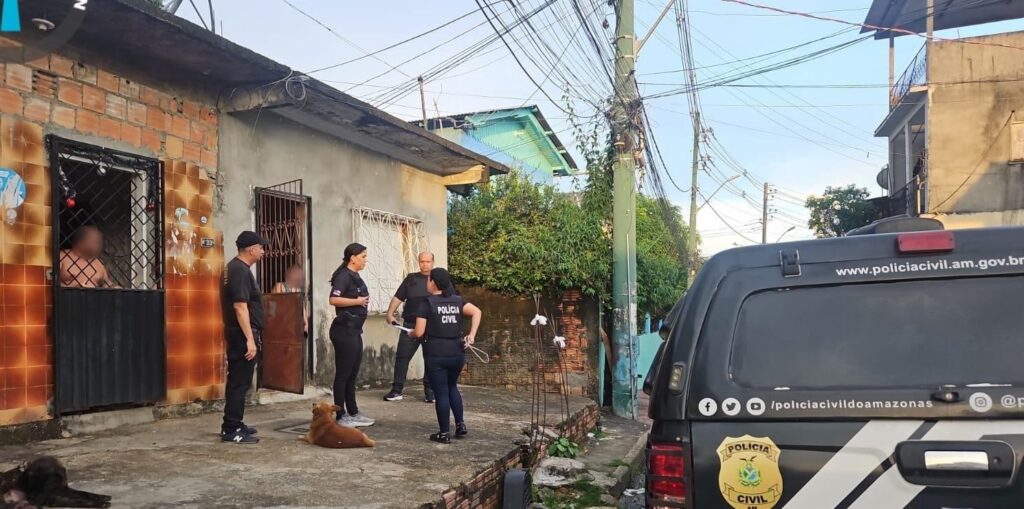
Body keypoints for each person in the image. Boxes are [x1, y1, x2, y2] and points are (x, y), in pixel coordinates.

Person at [411, 268, 482, 444]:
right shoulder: (457, 300)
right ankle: (460, 424)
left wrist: (410, 333)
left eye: (429, 279)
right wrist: (472, 335)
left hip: (436, 353)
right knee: (452, 387)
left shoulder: (427, 303)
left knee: (441, 391)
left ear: (433, 282)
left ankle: (444, 433)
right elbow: (477, 312)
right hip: (456, 352)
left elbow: (419, 332)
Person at [220, 231, 267, 444]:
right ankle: (231, 429)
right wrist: (250, 339)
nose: (263, 251)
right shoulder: (239, 270)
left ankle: (235, 423)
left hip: (238, 332)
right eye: (261, 248)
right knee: (239, 382)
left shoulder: (233, 268)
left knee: (239, 381)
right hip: (242, 334)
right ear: (251, 249)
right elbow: (240, 306)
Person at [328, 243, 375, 428]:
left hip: (355, 330)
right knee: (343, 374)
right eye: (363, 256)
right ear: (353, 258)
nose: (365, 260)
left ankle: (353, 412)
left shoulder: (355, 276)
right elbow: (333, 299)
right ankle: (340, 415)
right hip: (344, 330)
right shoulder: (343, 276)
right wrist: (357, 301)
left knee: (353, 373)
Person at [383, 252, 435, 403]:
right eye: (422, 261)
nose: (425, 264)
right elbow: (398, 296)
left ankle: (430, 392)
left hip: (432, 327)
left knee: (431, 359)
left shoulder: (438, 278)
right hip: (410, 325)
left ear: (433, 262)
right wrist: (390, 313)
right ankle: (396, 390)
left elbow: (450, 299)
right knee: (402, 357)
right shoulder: (411, 279)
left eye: (428, 261)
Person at [273, 265, 308, 335]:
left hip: (293, 323)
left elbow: (301, 306)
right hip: (282, 322)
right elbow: (275, 305)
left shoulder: (298, 289)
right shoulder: (280, 286)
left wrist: (305, 321)